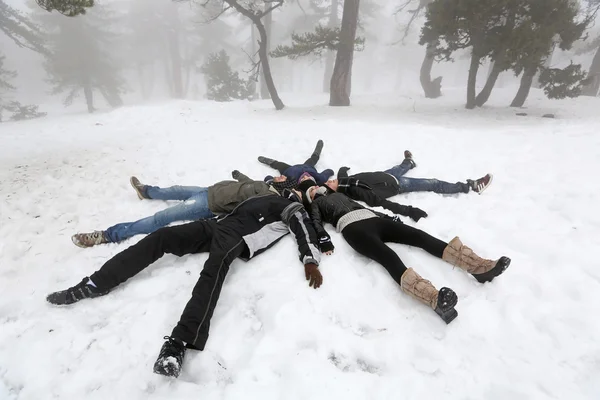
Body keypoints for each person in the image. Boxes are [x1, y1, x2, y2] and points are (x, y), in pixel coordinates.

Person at [47, 192, 328, 378]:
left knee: (213, 270)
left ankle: (180, 342)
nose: (288, 193)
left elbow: (303, 230)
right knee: (163, 237)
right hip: (215, 226)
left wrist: (310, 260)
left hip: (237, 238)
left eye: (294, 193)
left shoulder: (293, 208)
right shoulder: (260, 196)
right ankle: (96, 283)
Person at [295, 180, 511, 324]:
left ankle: (478, 266)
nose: (316, 189)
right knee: (389, 257)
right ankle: (436, 300)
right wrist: (323, 238)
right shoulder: (317, 204)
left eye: (316, 187)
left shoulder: (342, 195)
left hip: (373, 220)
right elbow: (314, 222)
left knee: (419, 236)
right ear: (310, 197)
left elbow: (367, 208)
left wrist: (387, 218)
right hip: (353, 228)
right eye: (311, 191)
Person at [71, 171, 295, 248]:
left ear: (284, 185)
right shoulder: (265, 185)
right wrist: (237, 175)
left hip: (208, 204)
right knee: (175, 189)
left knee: (162, 217)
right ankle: (146, 191)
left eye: (283, 178)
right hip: (209, 190)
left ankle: (107, 235)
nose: (279, 176)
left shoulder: (267, 198)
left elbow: (246, 211)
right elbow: (246, 182)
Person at [327, 151, 493, 203]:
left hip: (386, 174)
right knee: (432, 183)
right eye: (330, 183)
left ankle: (409, 162)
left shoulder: (342, 181)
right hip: (396, 184)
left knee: (398, 167)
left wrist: (342, 170)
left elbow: (340, 175)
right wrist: (393, 187)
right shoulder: (352, 191)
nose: (330, 180)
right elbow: (374, 196)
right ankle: (469, 186)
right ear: (335, 191)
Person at [258, 139, 334, 186]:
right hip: (307, 166)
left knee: (279, 165)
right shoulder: (319, 178)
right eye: (308, 178)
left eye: (303, 179)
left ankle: (271, 162)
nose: (304, 176)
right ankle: (317, 152)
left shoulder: (292, 182)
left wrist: (270, 179)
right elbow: (325, 175)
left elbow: (278, 183)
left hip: (289, 169)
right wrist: (330, 172)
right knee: (313, 159)